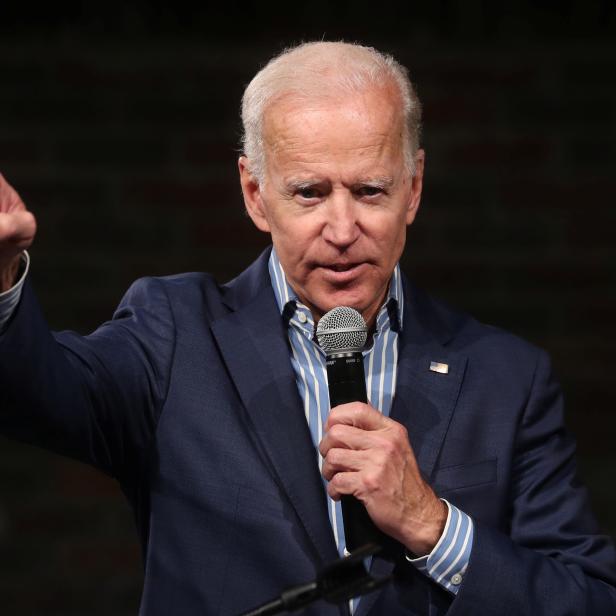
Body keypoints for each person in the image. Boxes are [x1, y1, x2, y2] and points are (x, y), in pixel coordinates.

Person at [0, 41, 615, 615]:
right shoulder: (174, 336)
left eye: (371, 190)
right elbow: (34, 394)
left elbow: (587, 597)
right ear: (255, 194)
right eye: (309, 193)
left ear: (414, 189)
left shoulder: (507, 377)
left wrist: (433, 525)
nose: (343, 230)